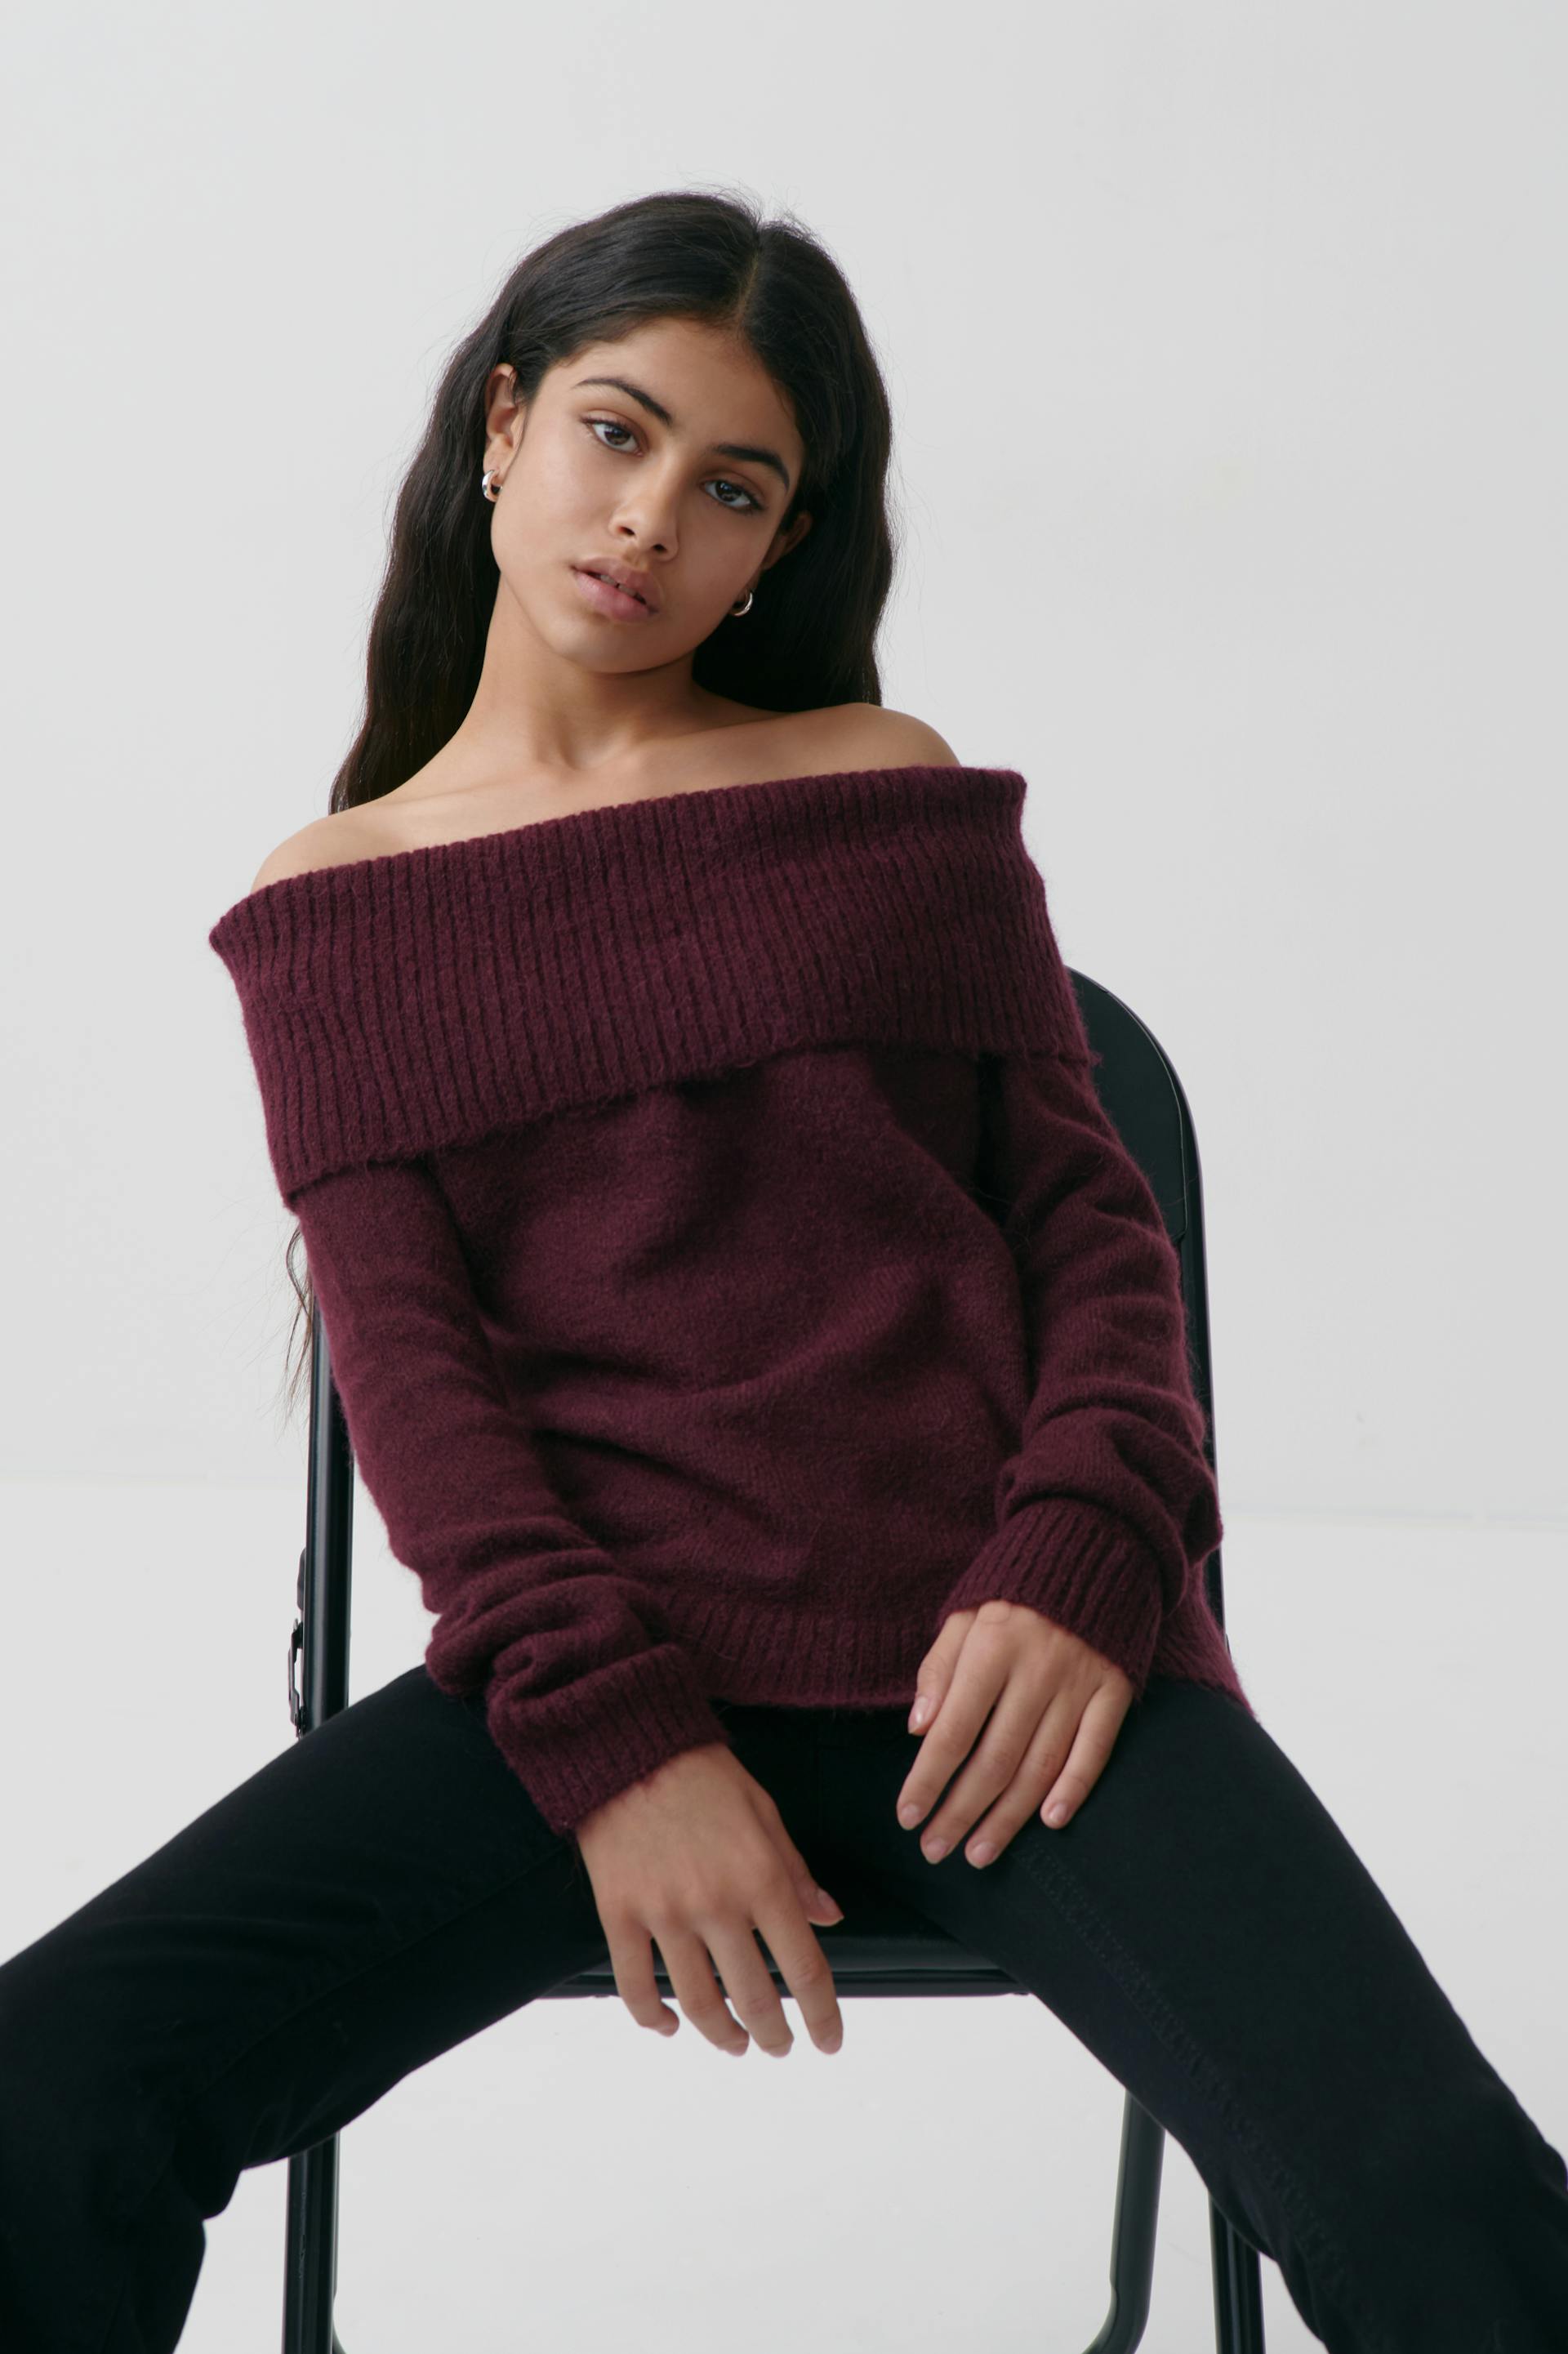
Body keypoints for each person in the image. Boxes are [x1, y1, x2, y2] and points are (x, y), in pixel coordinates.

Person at [2, 188, 1565, 2354]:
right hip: (594, 1687)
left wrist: (1086, 1552)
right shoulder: (338, 912)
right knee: (42, 2090)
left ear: (780, 543)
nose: (652, 518)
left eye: (733, 485)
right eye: (616, 433)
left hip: (1019, 1675)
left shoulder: (883, 795)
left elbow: (1092, 1226)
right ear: (503, 423)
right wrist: (619, 1743)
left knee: (1446, 2203)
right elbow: (426, 1401)